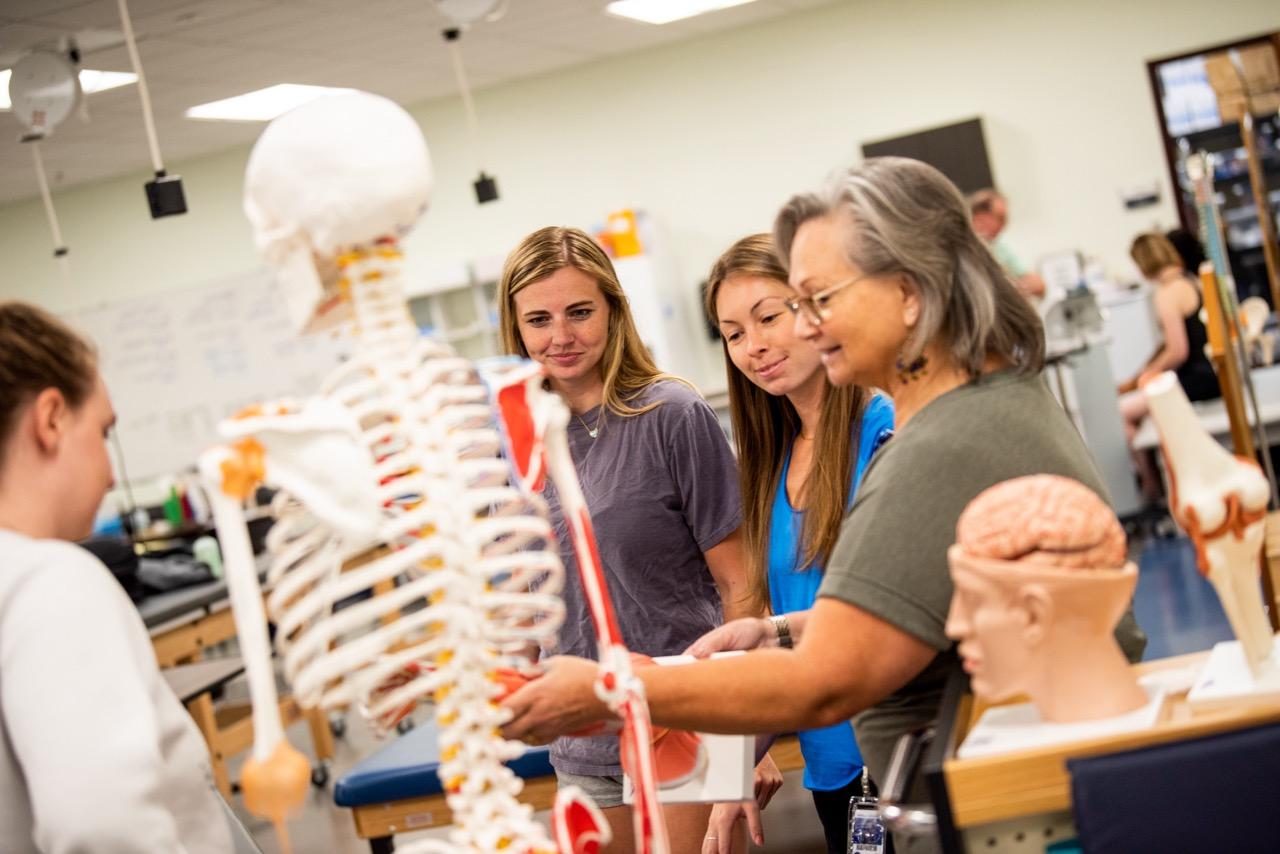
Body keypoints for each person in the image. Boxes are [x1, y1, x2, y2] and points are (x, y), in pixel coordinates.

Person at [499, 159, 1146, 854]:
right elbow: (901, 613)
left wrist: (608, 692)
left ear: (908, 292)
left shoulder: (936, 443)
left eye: (817, 300)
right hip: (909, 781)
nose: (804, 328)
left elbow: (828, 681)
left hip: (1002, 789)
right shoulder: (983, 408)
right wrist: (773, 632)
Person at [496, 227, 753, 853]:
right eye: (539, 320)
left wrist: (746, 736)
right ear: (517, 329)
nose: (561, 336)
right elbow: (524, 595)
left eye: (580, 312)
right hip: (581, 738)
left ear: (613, 311)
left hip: (682, 716)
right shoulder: (513, 446)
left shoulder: (671, 415)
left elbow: (740, 582)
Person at [0, 301, 231, 852]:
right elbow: (103, 826)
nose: (109, 474)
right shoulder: (51, 583)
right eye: (103, 432)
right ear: (52, 418)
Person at [696, 234, 893, 854]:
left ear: (812, 309)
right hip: (833, 767)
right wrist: (732, 775)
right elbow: (772, 635)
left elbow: (888, 606)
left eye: (767, 318)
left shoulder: (882, 428)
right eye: (733, 334)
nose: (753, 347)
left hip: (896, 750)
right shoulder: (771, 463)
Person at [1116, 232, 1221, 503]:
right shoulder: (1192, 282)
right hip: (1211, 374)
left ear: (1142, 265)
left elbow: (1177, 350)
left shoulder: (1165, 295)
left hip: (1195, 380)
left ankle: (1152, 486)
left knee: (1121, 414)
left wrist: (1147, 376)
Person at [968, 188, 1046, 300]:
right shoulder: (961, 249)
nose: (1005, 224)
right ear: (979, 216)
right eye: (1000, 218)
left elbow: (1038, 284)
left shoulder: (999, 247)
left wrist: (1021, 287)